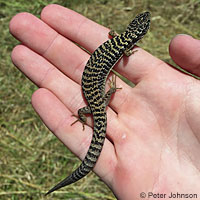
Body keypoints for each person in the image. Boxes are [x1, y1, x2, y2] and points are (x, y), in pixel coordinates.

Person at [9, 4, 200, 200]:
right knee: (97, 111)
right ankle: (92, 111)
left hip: (92, 90)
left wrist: (91, 110)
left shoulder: (118, 37)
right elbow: (125, 53)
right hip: (94, 95)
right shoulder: (126, 47)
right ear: (138, 35)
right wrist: (106, 96)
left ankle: (88, 117)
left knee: (96, 114)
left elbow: (111, 32)